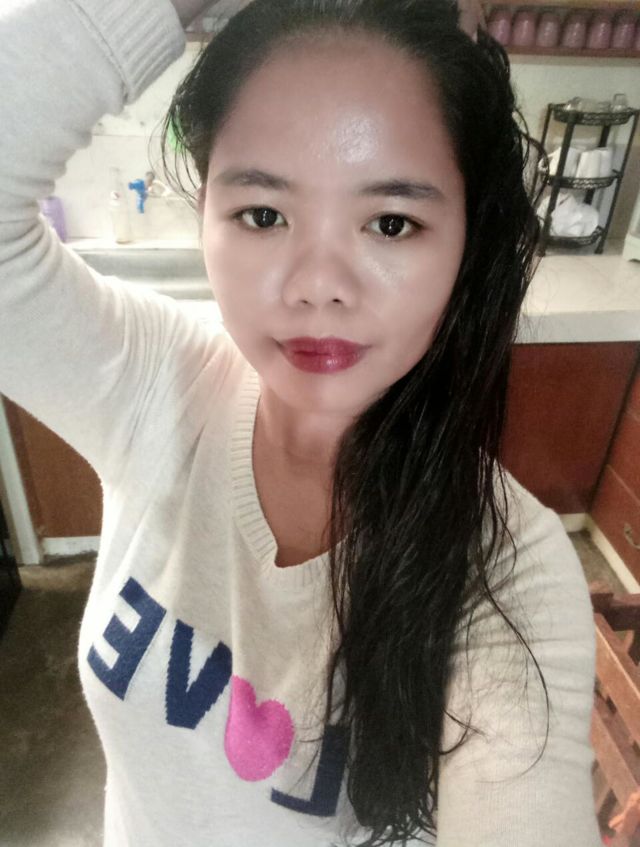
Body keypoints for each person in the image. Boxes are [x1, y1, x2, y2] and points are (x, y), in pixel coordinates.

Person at [0, 1, 601, 845]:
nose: (318, 285)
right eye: (264, 214)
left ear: (468, 241)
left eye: (391, 223)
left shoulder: (509, 573)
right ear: (204, 210)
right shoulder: (158, 385)